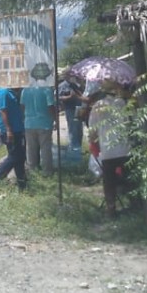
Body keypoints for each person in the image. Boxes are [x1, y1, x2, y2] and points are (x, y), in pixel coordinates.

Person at [88, 84, 132, 218]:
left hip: (108, 150)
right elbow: (132, 124)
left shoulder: (98, 106)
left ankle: (111, 209)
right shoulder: (124, 104)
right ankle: (135, 205)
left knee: (109, 182)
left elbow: (92, 131)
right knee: (130, 179)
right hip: (125, 149)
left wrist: (94, 144)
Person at [0, 87, 27, 190]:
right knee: (14, 156)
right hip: (11, 130)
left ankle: (22, 183)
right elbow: (3, 111)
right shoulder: (3, 92)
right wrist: (9, 129)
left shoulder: (10, 92)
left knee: (20, 157)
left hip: (17, 129)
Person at [21, 82, 56, 175]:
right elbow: (51, 106)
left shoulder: (25, 90)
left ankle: (32, 169)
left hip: (29, 123)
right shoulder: (47, 89)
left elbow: (22, 106)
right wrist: (55, 119)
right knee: (45, 148)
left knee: (30, 148)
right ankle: (47, 171)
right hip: (44, 123)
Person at [58, 78, 84, 154]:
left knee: (79, 130)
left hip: (79, 109)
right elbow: (58, 97)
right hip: (70, 109)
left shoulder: (76, 84)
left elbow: (82, 94)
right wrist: (69, 97)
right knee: (73, 130)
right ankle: (74, 150)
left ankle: (79, 149)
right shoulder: (62, 85)